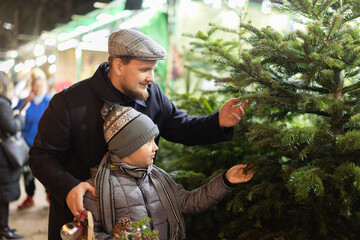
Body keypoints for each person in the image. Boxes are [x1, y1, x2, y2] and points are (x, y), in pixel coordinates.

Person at [29, 28, 249, 240]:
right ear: (118, 65)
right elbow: (41, 156)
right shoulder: (69, 102)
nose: (151, 78)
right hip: (84, 222)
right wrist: (68, 186)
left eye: (153, 69)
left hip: (138, 223)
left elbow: (180, 126)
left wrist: (218, 122)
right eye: (144, 70)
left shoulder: (152, 95)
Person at [83, 105, 253, 240]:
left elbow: (189, 202)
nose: (155, 147)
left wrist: (226, 180)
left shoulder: (158, 179)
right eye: (148, 142)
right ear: (129, 146)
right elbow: (91, 233)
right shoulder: (98, 188)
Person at [16, 68, 52, 209]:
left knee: (48, 171)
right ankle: (30, 196)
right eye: (34, 86)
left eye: (39, 86)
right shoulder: (25, 102)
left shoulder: (49, 101)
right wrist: (25, 102)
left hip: (45, 144)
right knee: (27, 173)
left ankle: (50, 195)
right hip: (27, 143)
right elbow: (14, 115)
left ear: (44, 85)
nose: (37, 89)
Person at [0, 71, 25, 239]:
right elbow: (10, 127)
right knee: (3, 193)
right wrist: (20, 118)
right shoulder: (2, 103)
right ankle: (3, 228)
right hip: (2, 155)